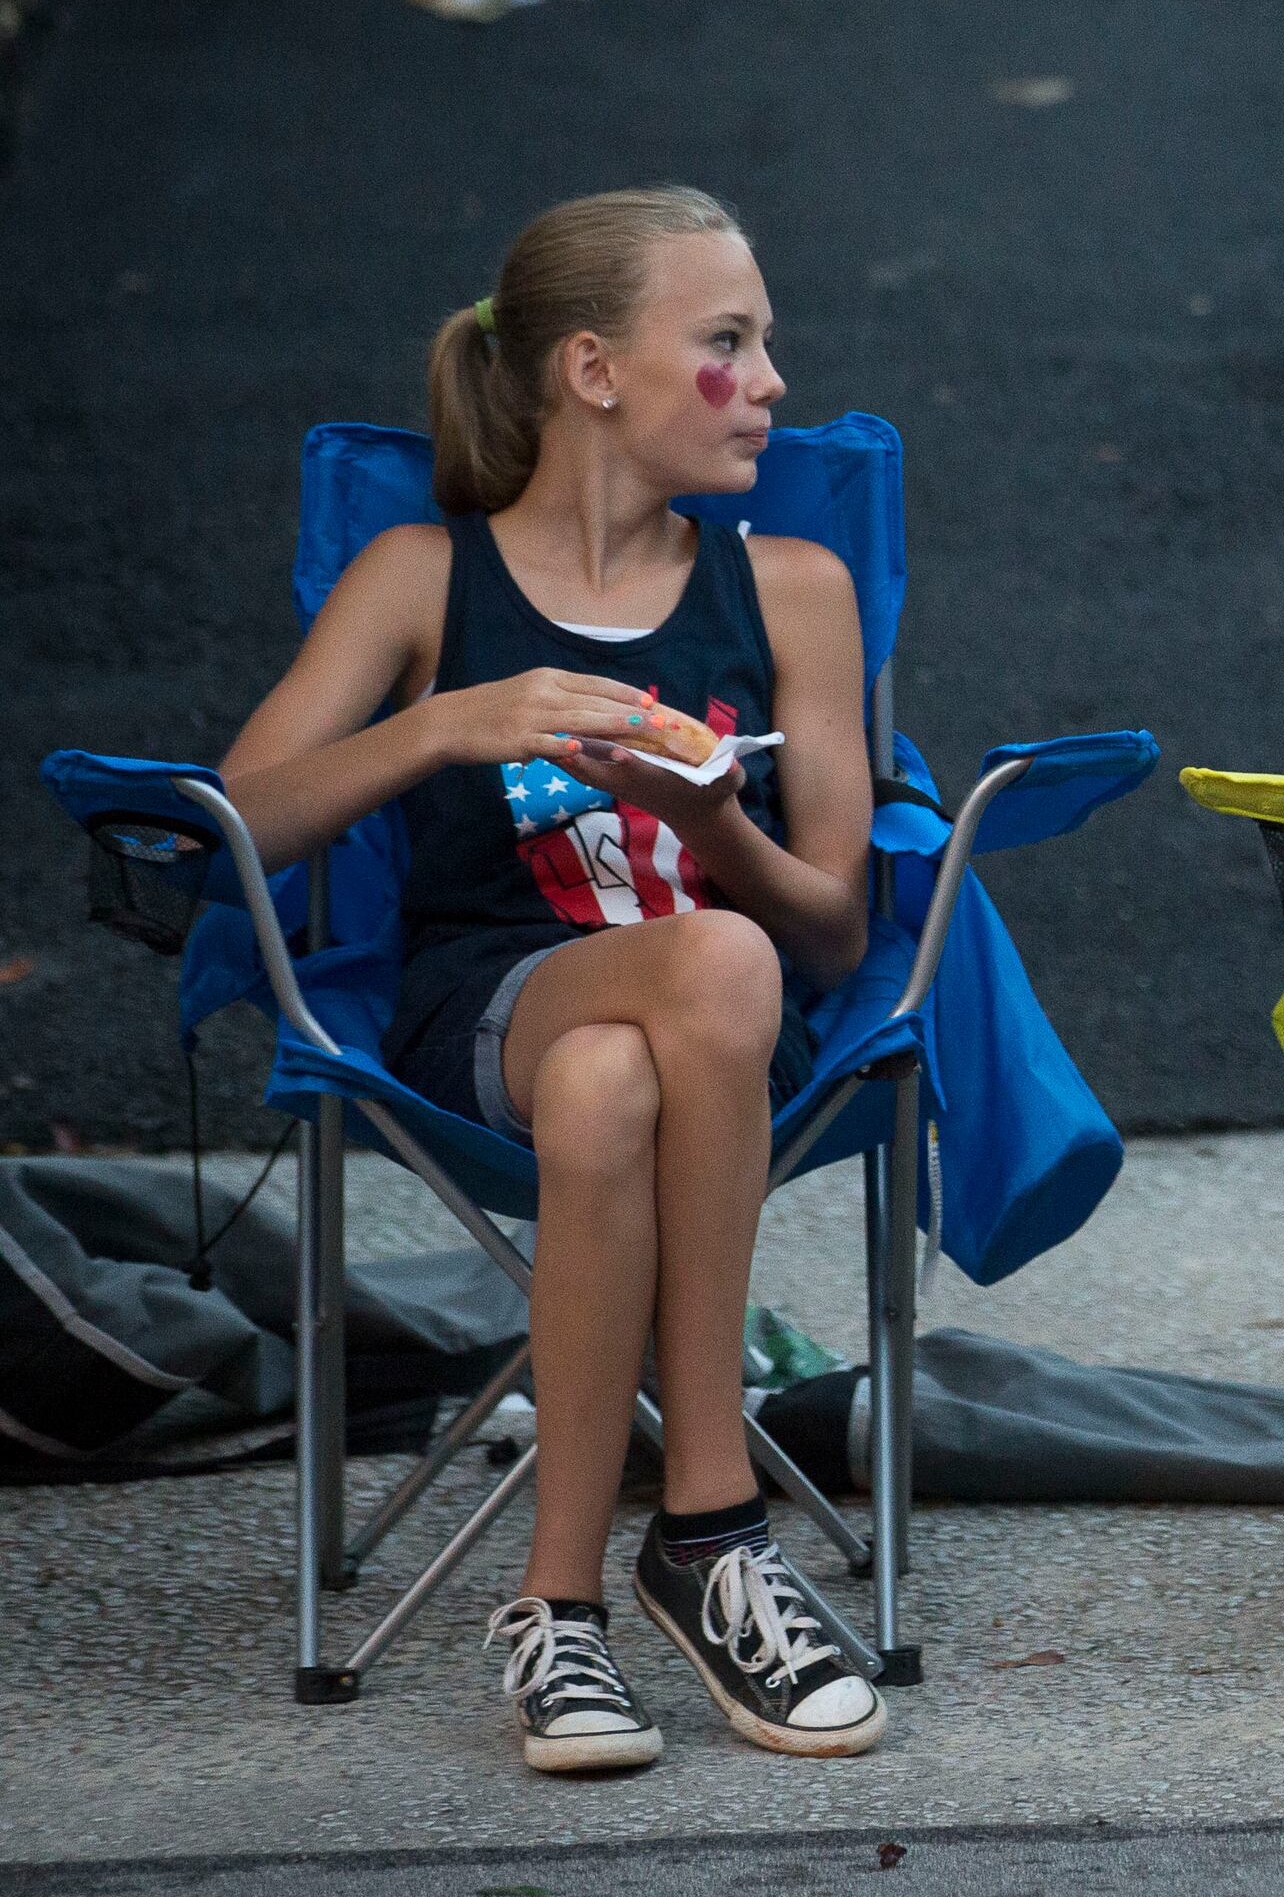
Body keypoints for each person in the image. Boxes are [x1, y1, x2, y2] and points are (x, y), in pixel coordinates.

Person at [214, 187, 886, 1773]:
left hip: (723, 1038)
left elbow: (836, 932)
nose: (772, 381)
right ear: (593, 370)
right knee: (651, 999)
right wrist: (445, 723)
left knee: (638, 1055)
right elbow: (234, 819)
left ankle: (560, 1610)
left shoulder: (791, 587)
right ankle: (711, 1524)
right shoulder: (422, 579)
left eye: (764, 342)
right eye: (729, 343)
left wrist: (708, 816)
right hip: (485, 1014)